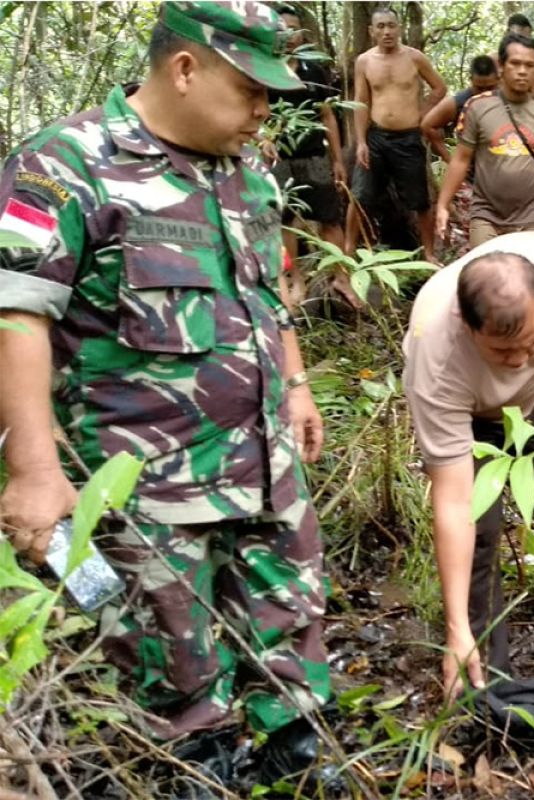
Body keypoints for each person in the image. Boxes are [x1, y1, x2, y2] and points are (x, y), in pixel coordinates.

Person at [0, 0, 332, 788]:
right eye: (251, 90)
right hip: (148, 491)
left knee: (292, 641)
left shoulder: (247, 177)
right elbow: (16, 314)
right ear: (185, 68)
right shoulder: (66, 163)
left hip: (265, 469)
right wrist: (35, 472)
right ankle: (194, 770)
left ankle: (295, 762)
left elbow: (267, 296)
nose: (263, 112)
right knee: (173, 669)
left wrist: (296, 384)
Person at [401, 231, 534, 697]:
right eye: (502, 352)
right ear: (466, 324)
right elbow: (455, 504)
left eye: (533, 341)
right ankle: (482, 671)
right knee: (477, 532)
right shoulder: (435, 361)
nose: (522, 359)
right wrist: (455, 630)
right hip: (470, 416)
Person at [434, 34, 534, 251]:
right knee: (486, 277)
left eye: (529, 65)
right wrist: (442, 205)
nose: (522, 71)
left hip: (531, 219)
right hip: (486, 216)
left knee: (525, 280)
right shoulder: (477, 107)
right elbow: (461, 160)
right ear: (502, 66)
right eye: (515, 63)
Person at [267, 5, 353, 306]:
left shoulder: (313, 69)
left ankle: (340, 277)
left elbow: (327, 115)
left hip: (315, 154)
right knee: (286, 220)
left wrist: (338, 159)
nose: (289, 36)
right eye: (283, 29)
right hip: (280, 158)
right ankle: (296, 281)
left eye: (294, 29)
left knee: (330, 217)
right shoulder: (264, 68)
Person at [346, 7, 446, 262]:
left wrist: (422, 115)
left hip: (409, 138)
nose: (387, 31)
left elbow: (439, 88)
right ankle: (347, 252)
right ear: (371, 31)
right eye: (381, 26)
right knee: (359, 195)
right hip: (376, 137)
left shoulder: (415, 58)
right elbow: (361, 101)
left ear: (399, 28)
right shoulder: (365, 61)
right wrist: (360, 142)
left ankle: (429, 253)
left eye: (391, 25)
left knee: (420, 200)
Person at [420, 55, 499, 164]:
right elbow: (428, 125)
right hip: (471, 172)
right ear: (471, 80)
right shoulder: (458, 102)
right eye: (479, 88)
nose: (484, 94)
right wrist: (449, 160)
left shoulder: (508, 98)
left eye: (490, 88)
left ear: (498, 79)